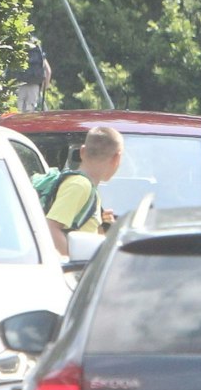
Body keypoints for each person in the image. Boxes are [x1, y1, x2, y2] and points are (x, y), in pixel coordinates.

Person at [42, 126, 123, 254]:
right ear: (116, 159)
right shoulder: (80, 186)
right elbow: (50, 228)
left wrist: (105, 226)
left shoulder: (88, 187)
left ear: (82, 152)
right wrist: (72, 263)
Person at [15, 39, 50, 113]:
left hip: (21, 84)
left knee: (19, 111)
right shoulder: (39, 53)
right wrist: (44, 87)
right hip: (35, 84)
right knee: (29, 111)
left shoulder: (21, 50)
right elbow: (48, 71)